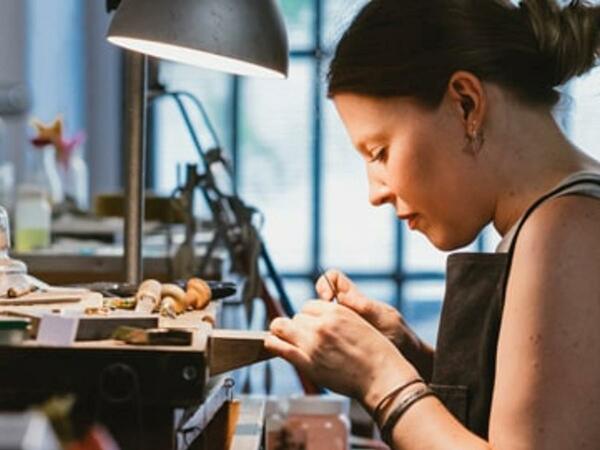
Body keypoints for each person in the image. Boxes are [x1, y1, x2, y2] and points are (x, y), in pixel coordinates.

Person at [263, 0, 600, 448]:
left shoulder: (567, 228)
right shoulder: (558, 219)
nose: (375, 192)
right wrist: (412, 356)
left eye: (380, 152)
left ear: (466, 104)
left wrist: (380, 377)